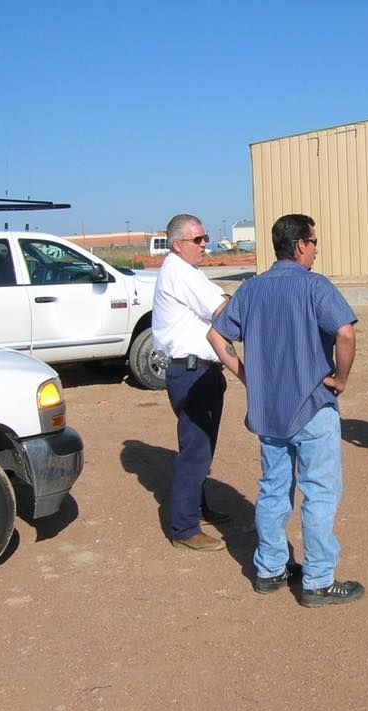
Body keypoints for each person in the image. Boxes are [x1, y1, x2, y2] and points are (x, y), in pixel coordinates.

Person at [208, 213, 364, 608]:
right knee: (320, 493)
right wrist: (341, 380)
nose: (315, 249)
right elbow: (345, 332)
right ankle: (317, 580)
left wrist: (246, 376)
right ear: (299, 246)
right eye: (313, 242)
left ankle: (271, 569)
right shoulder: (315, 287)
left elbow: (216, 333)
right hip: (312, 407)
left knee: (274, 490)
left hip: (269, 413)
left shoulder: (252, 289)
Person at [152, 214, 230, 551]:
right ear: (177, 245)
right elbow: (221, 308)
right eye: (197, 240)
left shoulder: (185, 272)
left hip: (198, 371)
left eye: (204, 238)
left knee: (202, 446)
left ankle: (198, 508)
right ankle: (184, 528)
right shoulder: (181, 272)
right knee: (196, 448)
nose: (204, 245)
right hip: (191, 372)